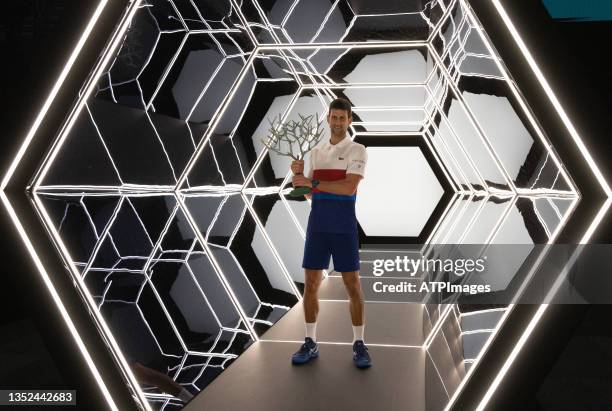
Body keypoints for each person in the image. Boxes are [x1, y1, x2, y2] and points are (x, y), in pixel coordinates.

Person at [290, 97, 372, 369]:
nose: (337, 122)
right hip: (318, 225)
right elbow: (308, 195)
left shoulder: (357, 149)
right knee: (310, 285)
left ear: (349, 121)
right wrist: (298, 179)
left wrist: (312, 181)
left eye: (342, 118)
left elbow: (349, 188)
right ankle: (310, 341)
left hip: (344, 226)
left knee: (352, 285)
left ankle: (359, 343)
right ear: (328, 119)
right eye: (334, 117)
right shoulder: (315, 152)